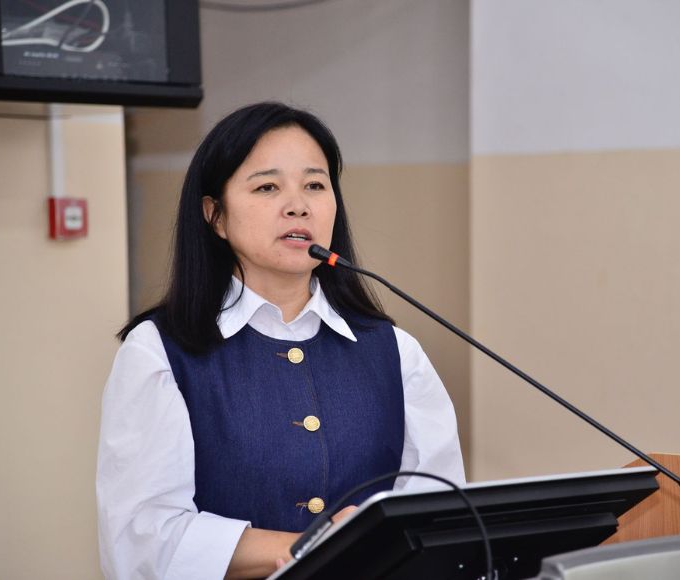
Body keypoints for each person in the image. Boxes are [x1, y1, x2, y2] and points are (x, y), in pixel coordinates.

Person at [96, 102, 464, 580]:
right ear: (215, 216)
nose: (298, 205)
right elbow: (141, 542)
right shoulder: (159, 351)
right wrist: (317, 546)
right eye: (267, 187)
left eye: (315, 185)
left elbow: (440, 520)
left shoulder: (395, 351)